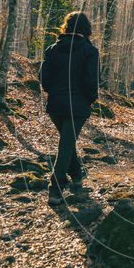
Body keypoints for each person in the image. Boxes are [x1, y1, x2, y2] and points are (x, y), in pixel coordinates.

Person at [39, 11, 99, 205]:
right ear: (86, 29)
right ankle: (55, 189)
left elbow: (44, 78)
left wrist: (53, 92)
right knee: (66, 144)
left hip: (55, 105)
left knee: (67, 141)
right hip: (78, 106)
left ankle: (77, 175)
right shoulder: (90, 51)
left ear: (66, 27)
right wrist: (90, 99)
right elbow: (92, 81)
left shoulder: (52, 49)